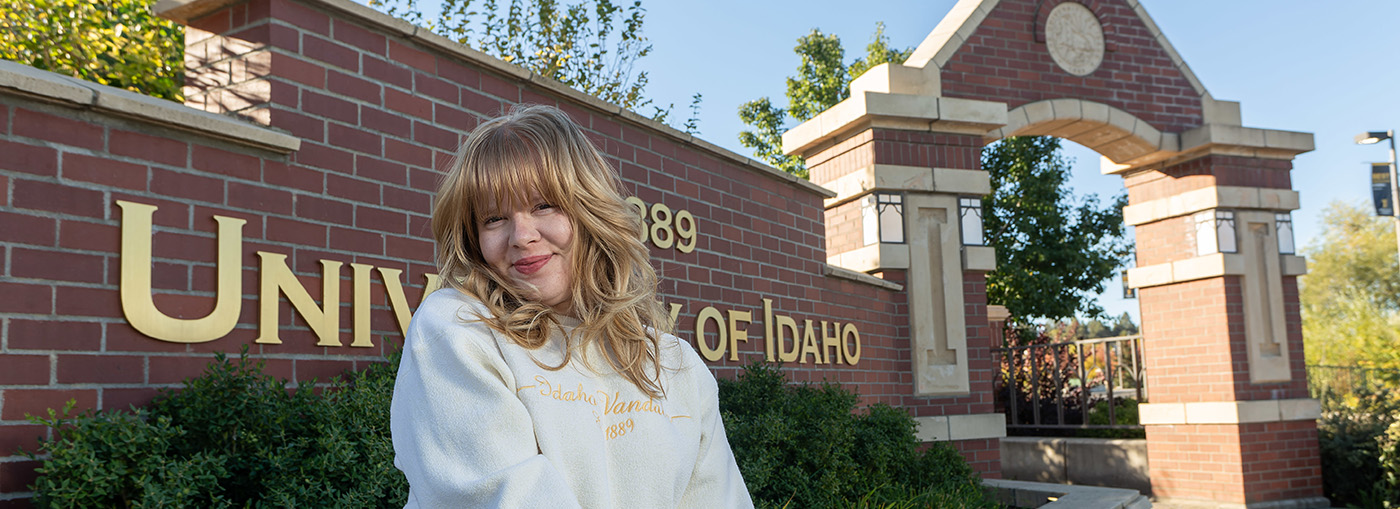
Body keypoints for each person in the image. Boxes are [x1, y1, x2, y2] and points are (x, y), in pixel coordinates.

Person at [390, 104, 752, 508]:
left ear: (589, 211)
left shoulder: (675, 363)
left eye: (544, 205)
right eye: (493, 218)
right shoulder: (456, 331)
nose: (521, 235)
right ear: (474, 238)